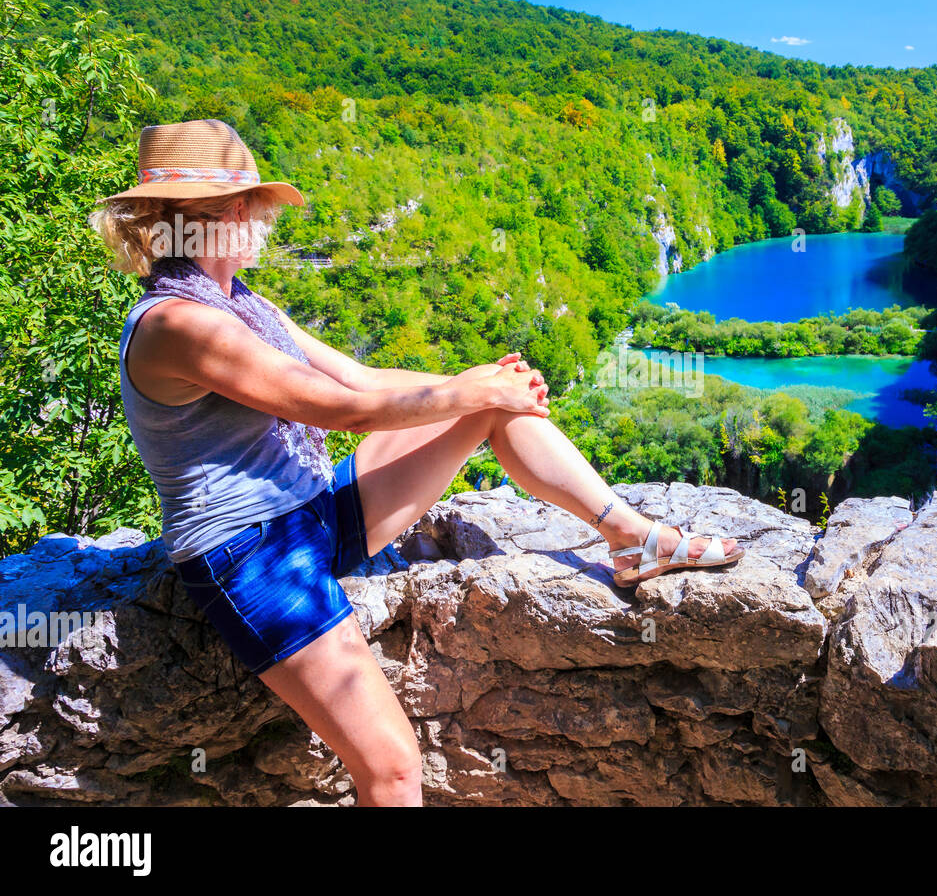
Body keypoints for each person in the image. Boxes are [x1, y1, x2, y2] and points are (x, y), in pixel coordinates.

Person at [90, 119, 743, 806]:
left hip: (311, 516)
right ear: (204, 220)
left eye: (252, 202)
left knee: (491, 408)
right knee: (394, 767)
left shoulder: (239, 304)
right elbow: (338, 411)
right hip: (249, 559)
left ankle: (634, 538)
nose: (256, 217)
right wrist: (469, 389)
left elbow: (364, 380)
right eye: (243, 204)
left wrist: (481, 384)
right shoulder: (179, 324)